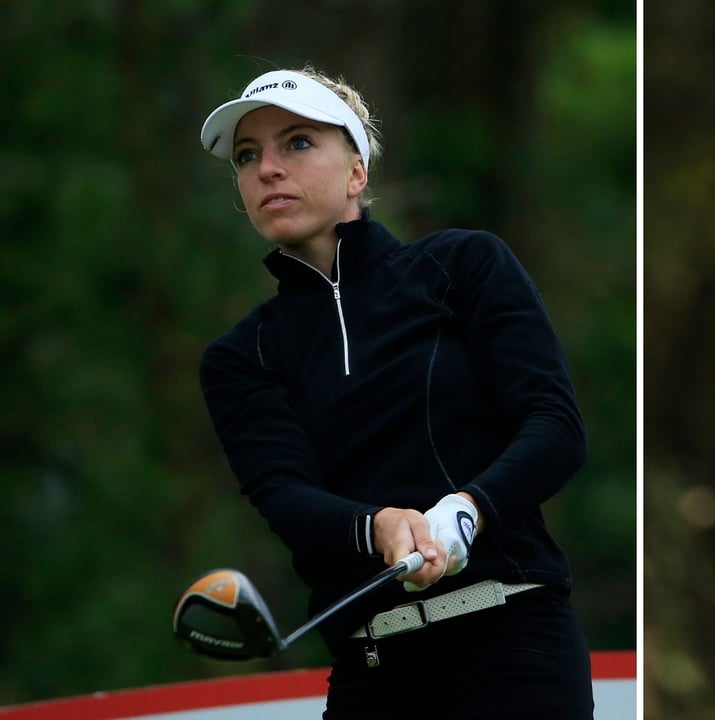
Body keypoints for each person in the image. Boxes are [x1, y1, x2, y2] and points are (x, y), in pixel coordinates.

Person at [197, 66, 594, 719]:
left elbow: (554, 426)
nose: (267, 168)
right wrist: (374, 526)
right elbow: (283, 494)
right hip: (373, 673)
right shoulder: (244, 355)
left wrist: (471, 506)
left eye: (296, 143)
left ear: (357, 171)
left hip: (514, 644)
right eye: (247, 156)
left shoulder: (464, 266)